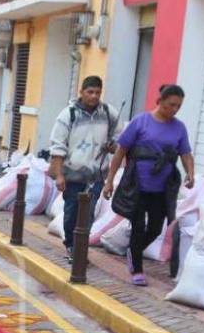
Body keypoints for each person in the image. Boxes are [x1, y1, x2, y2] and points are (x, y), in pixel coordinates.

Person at [103, 84, 196, 286]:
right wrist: (109, 181)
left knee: (154, 228)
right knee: (138, 226)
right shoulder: (140, 122)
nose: (174, 110)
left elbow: (186, 153)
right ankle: (137, 268)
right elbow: (120, 151)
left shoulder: (179, 128)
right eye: (170, 105)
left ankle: (132, 250)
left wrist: (190, 172)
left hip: (162, 189)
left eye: (178, 106)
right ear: (159, 101)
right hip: (137, 185)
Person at [48, 75, 119, 259]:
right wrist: (59, 175)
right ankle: (71, 244)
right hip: (72, 175)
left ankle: (80, 250)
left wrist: (113, 146)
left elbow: (118, 141)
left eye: (97, 92)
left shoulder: (109, 114)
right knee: (72, 211)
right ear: (81, 92)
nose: (94, 96)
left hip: (96, 175)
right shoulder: (68, 115)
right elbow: (57, 146)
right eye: (90, 92)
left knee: (88, 213)